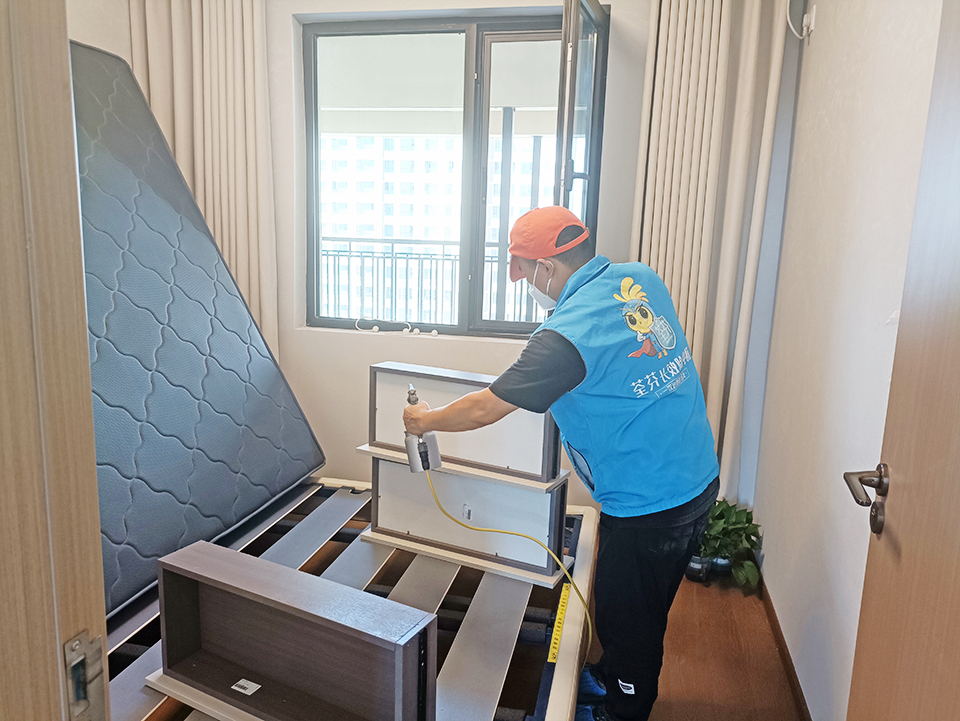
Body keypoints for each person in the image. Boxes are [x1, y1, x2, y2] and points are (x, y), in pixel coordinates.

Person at [402, 206, 719, 721]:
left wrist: (425, 420)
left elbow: (486, 407)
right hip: (697, 474)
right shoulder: (638, 278)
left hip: (647, 506)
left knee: (629, 622)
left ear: (547, 267)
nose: (527, 283)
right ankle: (612, 677)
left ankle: (623, 708)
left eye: (526, 272)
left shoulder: (565, 337)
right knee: (644, 604)